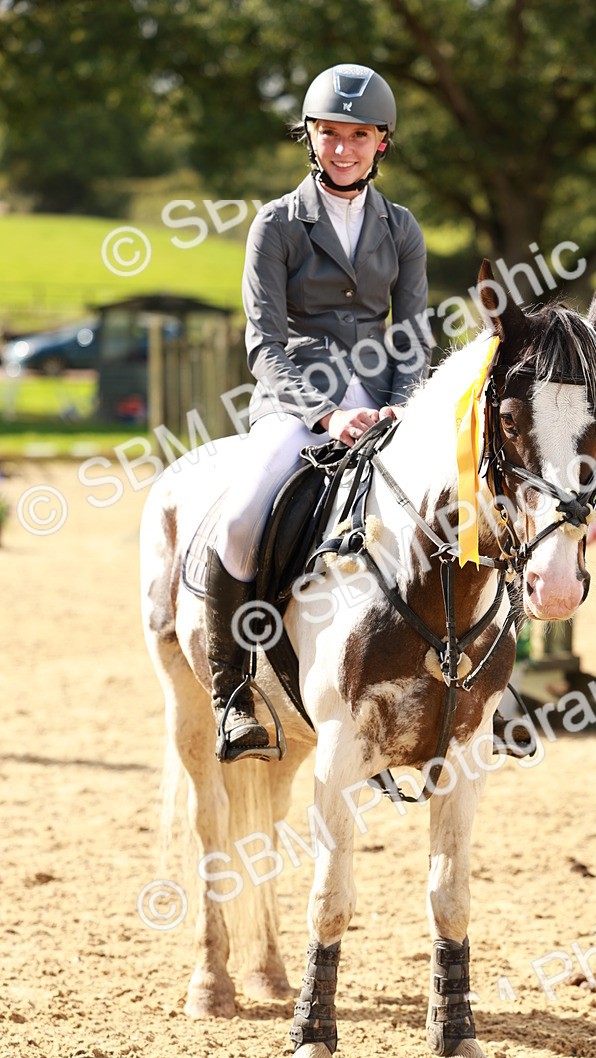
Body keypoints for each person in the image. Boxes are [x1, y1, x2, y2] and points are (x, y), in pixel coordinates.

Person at [205, 63, 432, 763]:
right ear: (310, 136)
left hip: (385, 404)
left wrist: (401, 408)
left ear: (381, 143)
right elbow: (264, 341)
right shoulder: (276, 225)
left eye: (357, 136)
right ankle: (231, 692)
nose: (342, 148)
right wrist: (329, 415)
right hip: (296, 402)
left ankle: (472, 677)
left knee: (457, 505)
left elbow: (414, 333)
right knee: (243, 516)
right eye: (330, 133)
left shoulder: (402, 228)